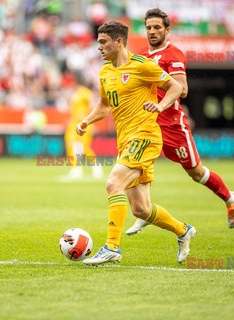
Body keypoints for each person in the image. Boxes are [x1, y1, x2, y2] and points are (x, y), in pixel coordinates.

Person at [77, 20, 196, 266]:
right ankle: (183, 230)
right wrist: (87, 121)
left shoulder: (143, 66)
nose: (98, 47)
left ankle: (112, 247)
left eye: (103, 42)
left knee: (113, 183)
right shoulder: (105, 72)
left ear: (118, 41)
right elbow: (104, 105)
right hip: (126, 140)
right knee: (141, 209)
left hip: (145, 136)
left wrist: (161, 106)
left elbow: (176, 87)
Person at [126, 8, 234, 235]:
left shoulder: (173, 54)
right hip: (148, 124)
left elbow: (183, 89)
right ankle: (144, 211)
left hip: (172, 125)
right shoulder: (139, 57)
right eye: (148, 27)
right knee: (137, 164)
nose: (152, 31)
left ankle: (229, 198)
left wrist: (158, 96)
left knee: (196, 173)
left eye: (157, 27)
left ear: (167, 30)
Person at [64, 73, 103, 179]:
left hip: (84, 123)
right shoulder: (75, 93)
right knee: (71, 144)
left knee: (84, 147)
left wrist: (87, 119)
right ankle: (76, 169)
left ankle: (96, 166)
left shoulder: (86, 92)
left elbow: (93, 106)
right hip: (74, 123)